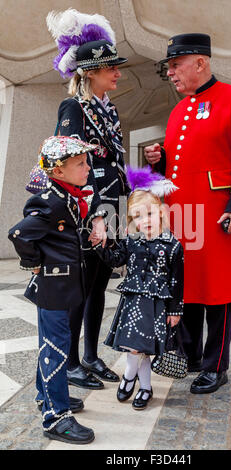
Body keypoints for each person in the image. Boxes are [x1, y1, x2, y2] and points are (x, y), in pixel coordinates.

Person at [144, 33, 231, 394]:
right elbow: (182, 161)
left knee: (221, 291)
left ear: (201, 62)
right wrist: (159, 159)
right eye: (169, 68)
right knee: (188, 286)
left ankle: (216, 365)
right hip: (183, 214)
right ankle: (191, 354)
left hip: (218, 213)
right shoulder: (180, 109)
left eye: (176, 66)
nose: (172, 74)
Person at [47, 9, 130, 388]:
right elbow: (70, 164)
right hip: (89, 211)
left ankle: (92, 356)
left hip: (111, 207)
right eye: (111, 67)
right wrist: (95, 215)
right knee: (80, 286)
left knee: (99, 285)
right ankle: (71, 363)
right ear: (91, 71)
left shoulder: (108, 110)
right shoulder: (74, 108)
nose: (117, 72)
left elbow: (111, 162)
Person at [8, 136, 100, 444]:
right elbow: (19, 233)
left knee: (54, 345)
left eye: (86, 162)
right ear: (58, 171)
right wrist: (33, 263)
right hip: (53, 287)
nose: (88, 168)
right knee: (57, 349)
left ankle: (44, 395)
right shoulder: (50, 202)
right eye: (80, 164)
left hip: (64, 286)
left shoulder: (68, 195)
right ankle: (56, 417)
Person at [96, 167, 184, 409]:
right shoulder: (131, 242)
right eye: (137, 216)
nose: (144, 220)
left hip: (156, 306)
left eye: (149, 214)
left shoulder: (173, 246)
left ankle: (133, 380)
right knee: (135, 348)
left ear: (162, 212)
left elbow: (177, 281)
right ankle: (141, 385)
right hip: (133, 302)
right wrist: (101, 246)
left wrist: (175, 311)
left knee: (141, 349)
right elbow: (115, 260)